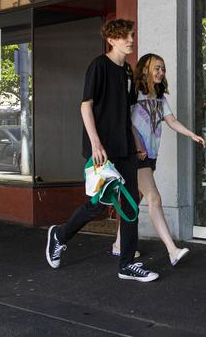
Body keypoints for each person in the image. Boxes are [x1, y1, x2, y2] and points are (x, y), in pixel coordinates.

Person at [45, 19, 159, 282]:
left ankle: (127, 264)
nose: (130, 40)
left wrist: (137, 143)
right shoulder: (99, 66)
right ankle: (59, 235)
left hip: (125, 148)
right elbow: (86, 106)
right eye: (125, 36)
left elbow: (126, 112)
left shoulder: (128, 72)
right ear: (112, 40)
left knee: (130, 204)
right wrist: (96, 143)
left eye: (131, 35)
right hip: (103, 150)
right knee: (98, 204)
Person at [112, 53, 204, 266]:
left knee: (134, 201)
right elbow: (126, 122)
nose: (161, 72)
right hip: (135, 155)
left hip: (150, 155)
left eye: (163, 69)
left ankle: (118, 244)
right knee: (154, 198)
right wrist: (137, 145)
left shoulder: (160, 97)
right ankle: (172, 250)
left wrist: (191, 134)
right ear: (145, 69)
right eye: (157, 68)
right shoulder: (134, 92)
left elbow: (171, 121)